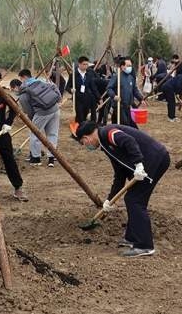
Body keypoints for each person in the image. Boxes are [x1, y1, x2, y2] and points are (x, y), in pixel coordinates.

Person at [73, 121, 170, 257]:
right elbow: (119, 173)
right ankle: (132, 237)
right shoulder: (105, 144)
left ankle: (144, 245)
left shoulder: (107, 133)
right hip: (153, 160)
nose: (86, 146)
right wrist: (109, 199)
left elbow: (128, 141)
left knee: (134, 200)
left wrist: (139, 165)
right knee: (134, 199)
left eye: (83, 143)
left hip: (155, 159)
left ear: (86, 138)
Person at [18, 69, 61, 167]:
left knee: (35, 134)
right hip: (55, 109)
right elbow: (55, 87)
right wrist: (58, 100)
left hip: (42, 112)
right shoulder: (41, 81)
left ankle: (35, 158)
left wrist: (33, 119)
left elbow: (28, 110)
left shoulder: (25, 90)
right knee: (52, 134)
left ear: (23, 77)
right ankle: (51, 158)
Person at [106, 57, 144, 128]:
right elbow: (109, 88)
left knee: (133, 126)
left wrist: (141, 99)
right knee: (124, 126)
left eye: (131, 66)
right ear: (122, 66)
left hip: (128, 107)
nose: (130, 67)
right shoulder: (117, 77)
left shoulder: (131, 78)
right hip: (119, 106)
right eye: (128, 66)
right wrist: (114, 96)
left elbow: (135, 90)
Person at [66, 56, 100, 123]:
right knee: (80, 116)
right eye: (84, 64)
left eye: (87, 64)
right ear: (79, 64)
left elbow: (93, 87)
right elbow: (67, 87)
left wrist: (99, 97)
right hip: (78, 99)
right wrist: (71, 90)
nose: (86, 66)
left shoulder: (89, 74)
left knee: (84, 116)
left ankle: (82, 129)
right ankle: (78, 131)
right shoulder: (73, 75)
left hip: (87, 98)